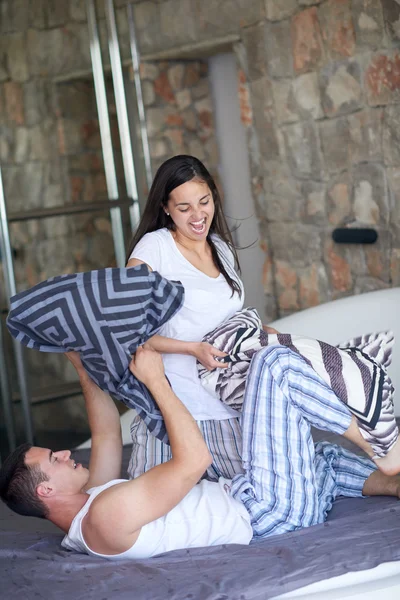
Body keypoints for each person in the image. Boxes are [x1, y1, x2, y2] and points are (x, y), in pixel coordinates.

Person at [1, 346, 400, 561]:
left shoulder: (90, 509)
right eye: (54, 460)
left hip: (256, 499)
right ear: (46, 493)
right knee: (274, 366)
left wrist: (81, 365)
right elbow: (194, 461)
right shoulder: (106, 518)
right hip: (268, 514)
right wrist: (157, 382)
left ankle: (391, 481)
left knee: (318, 461)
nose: (67, 453)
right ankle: (381, 445)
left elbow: (105, 432)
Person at [125, 154, 247, 481]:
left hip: (229, 400)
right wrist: (192, 349)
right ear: (165, 208)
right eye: (184, 208)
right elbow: (128, 330)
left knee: (246, 505)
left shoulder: (220, 248)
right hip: (178, 408)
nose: (198, 216)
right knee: (156, 516)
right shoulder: (155, 248)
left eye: (204, 202)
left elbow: (229, 316)